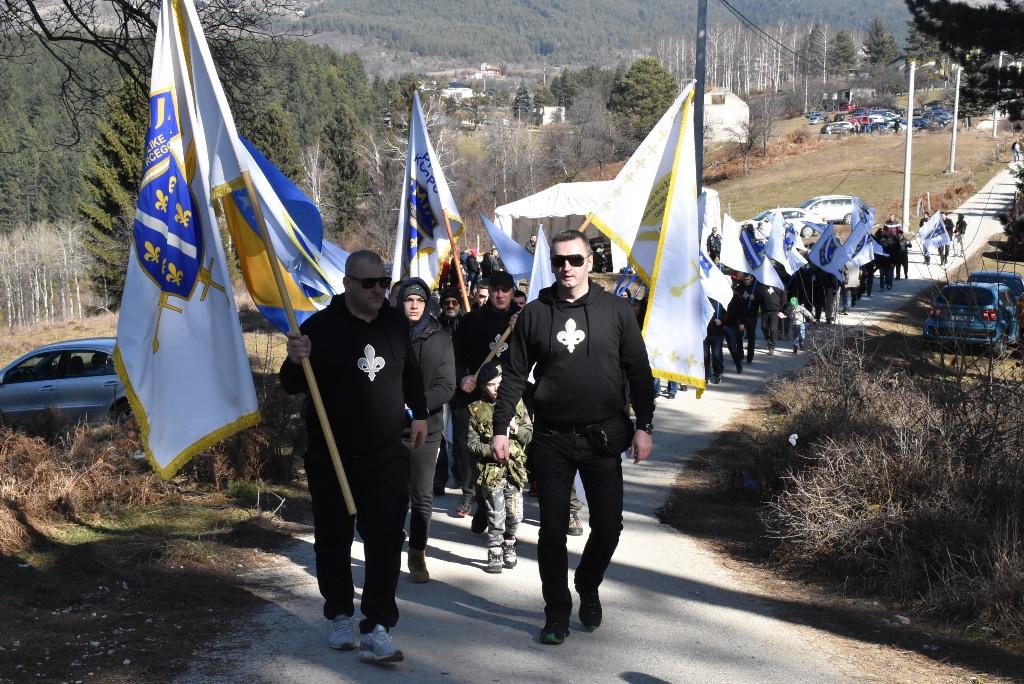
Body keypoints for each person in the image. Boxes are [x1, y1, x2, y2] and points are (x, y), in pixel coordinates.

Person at [490, 229, 654, 645]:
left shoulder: (616, 311)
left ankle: (588, 582)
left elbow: (638, 370)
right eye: (560, 260)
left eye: (575, 260)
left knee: (609, 527)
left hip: (603, 436)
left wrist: (644, 425)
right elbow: (512, 376)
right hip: (552, 437)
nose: (566, 268)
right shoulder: (535, 313)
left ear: (590, 263)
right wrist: (500, 427)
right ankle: (556, 611)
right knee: (551, 531)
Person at [279, 250, 428, 664]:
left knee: (383, 539)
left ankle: (378, 624)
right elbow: (291, 385)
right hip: (333, 456)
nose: (380, 290)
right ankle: (340, 614)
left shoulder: (396, 322)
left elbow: (410, 373)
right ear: (348, 283)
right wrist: (295, 359)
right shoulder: (320, 328)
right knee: (333, 540)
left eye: (384, 281)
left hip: (385, 453)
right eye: (369, 283)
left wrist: (421, 415)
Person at [398, 278, 456, 584]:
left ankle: (417, 552)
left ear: (427, 304)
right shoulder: (388, 333)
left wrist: (417, 408)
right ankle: (393, 540)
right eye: (409, 300)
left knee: (421, 495)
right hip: (390, 426)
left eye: (419, 300)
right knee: (393, 494)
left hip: (427, 428)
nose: (414, 305)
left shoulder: (440, 338)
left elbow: (447, 385)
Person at [452, 271, 519, 517]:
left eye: (505, 290)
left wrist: (519, 329)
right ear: (489, 292)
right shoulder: (471, 321)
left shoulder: (520, 322)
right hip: (473, 393)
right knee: (466, 446)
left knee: (504, 446)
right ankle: (471, 494)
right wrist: (462, 378)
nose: (500, 295)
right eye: (495, 290)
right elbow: (456, 355)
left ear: (513, 292)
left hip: (506, 393)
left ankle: (498, 498)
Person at [467, 361, 532, 574]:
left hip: (514, 470)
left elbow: (528, 434)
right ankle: (494, 549)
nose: (496, 388)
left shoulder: (517, 403)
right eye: (490, 385)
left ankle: (509, 543)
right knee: (496, 513)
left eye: (499, 383)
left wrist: (514, 427)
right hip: (491, 472)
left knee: (515, 513)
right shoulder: (477, 409)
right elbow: (472, 443)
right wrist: (490, 449)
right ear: (483, 387)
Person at [736, 273, 760, 363]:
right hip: (740, 316)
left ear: (751, 279)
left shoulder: (756, 288)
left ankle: (750, 356)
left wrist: (755, 298)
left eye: (748, 279)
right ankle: (740, 354)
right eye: (745, 279)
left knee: (751, 337)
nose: (746, 281)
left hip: (751, 316)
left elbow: (762, 300)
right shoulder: (739, 288)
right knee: (739, 336)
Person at [758, 280, 784, 354]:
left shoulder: (779, 285)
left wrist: (781, 309)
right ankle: (768, 339)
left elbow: (783, 297)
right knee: (763, 327)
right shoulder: (762, 285)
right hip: (764, 310)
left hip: (775, 311)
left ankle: (772, 346)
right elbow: (759, 296)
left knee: (773, 329)